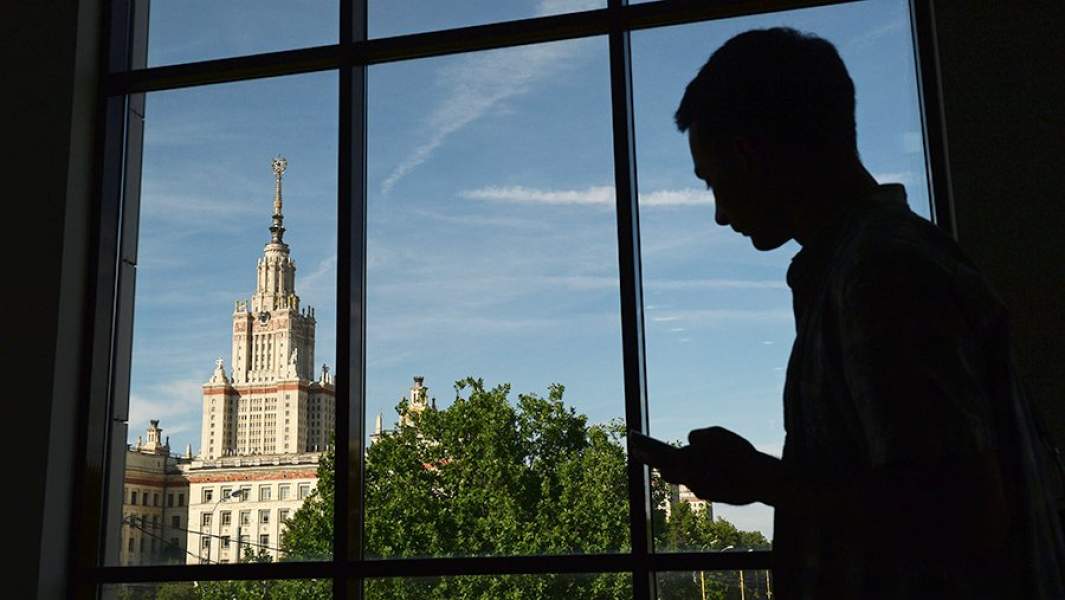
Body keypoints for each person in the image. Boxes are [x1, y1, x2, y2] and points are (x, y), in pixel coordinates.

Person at [656, 27, 1065, 599]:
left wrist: (762, 479)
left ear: (754, 153)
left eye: (713, 181)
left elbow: (959, 518)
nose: (721, 214)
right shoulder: (894, 260)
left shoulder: (880, 275)